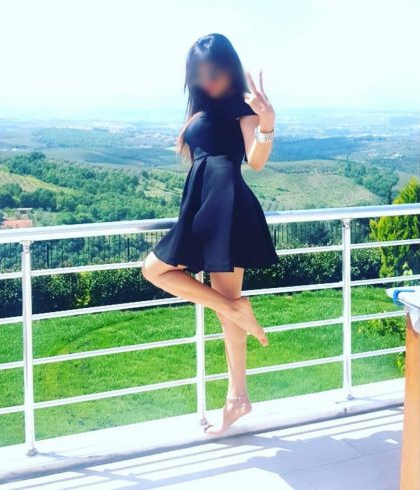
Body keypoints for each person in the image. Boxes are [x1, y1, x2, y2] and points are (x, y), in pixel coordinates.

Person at [142, 33, 278, 435]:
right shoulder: (203, 107)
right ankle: (238, 390)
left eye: (214, 72)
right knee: (222, 302)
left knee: (156, 270)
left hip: (226, 203)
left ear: (230, 68)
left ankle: (238, 396)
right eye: (200, 74)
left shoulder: (242, 107)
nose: (208, 80)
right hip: (205, 203)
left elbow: (256, 160)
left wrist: (267, 123)